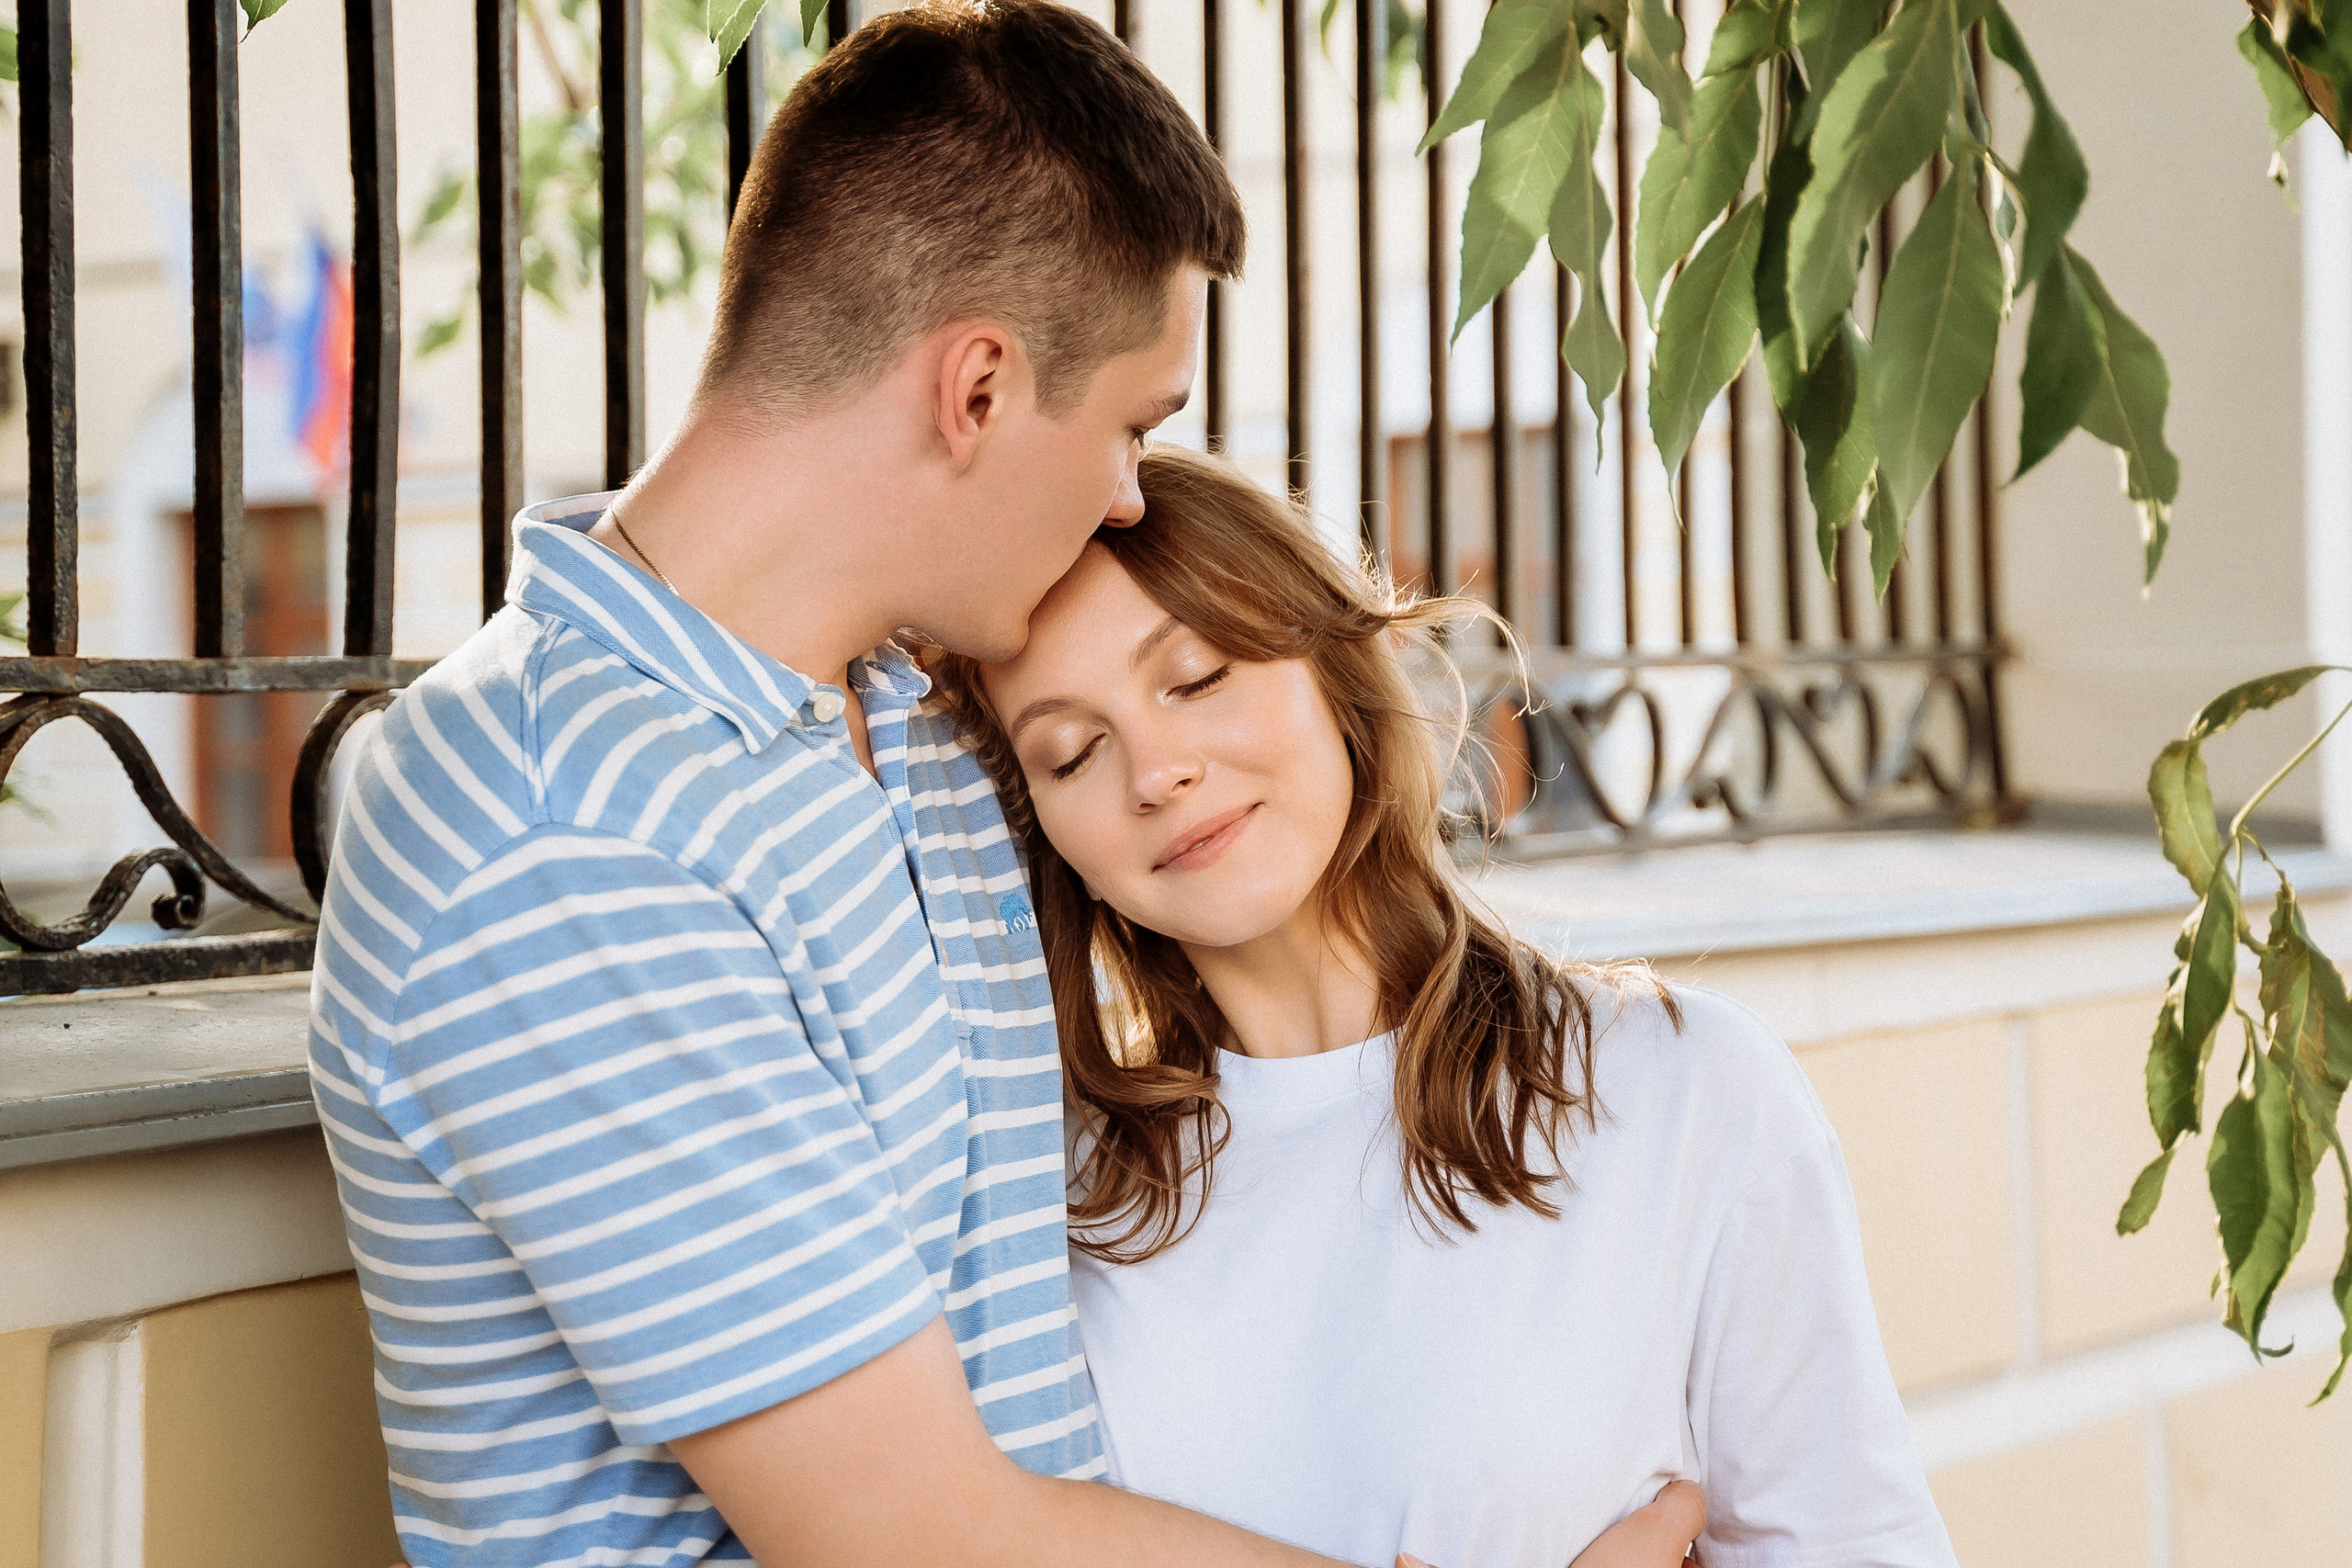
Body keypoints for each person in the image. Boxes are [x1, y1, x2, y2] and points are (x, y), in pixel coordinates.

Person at [309, 3, 1702, 1564]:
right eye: (1129, 425)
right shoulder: (557, 831)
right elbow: (913, 1535)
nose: (1124, 496)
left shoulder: (909, 710)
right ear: (975, 388)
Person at [927, 445, 1963, 1568]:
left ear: (1332, 670)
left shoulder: (1680, 1088)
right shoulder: (1053, 1199)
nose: (1154, 769)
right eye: (1071, 752)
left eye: (1198, 676)